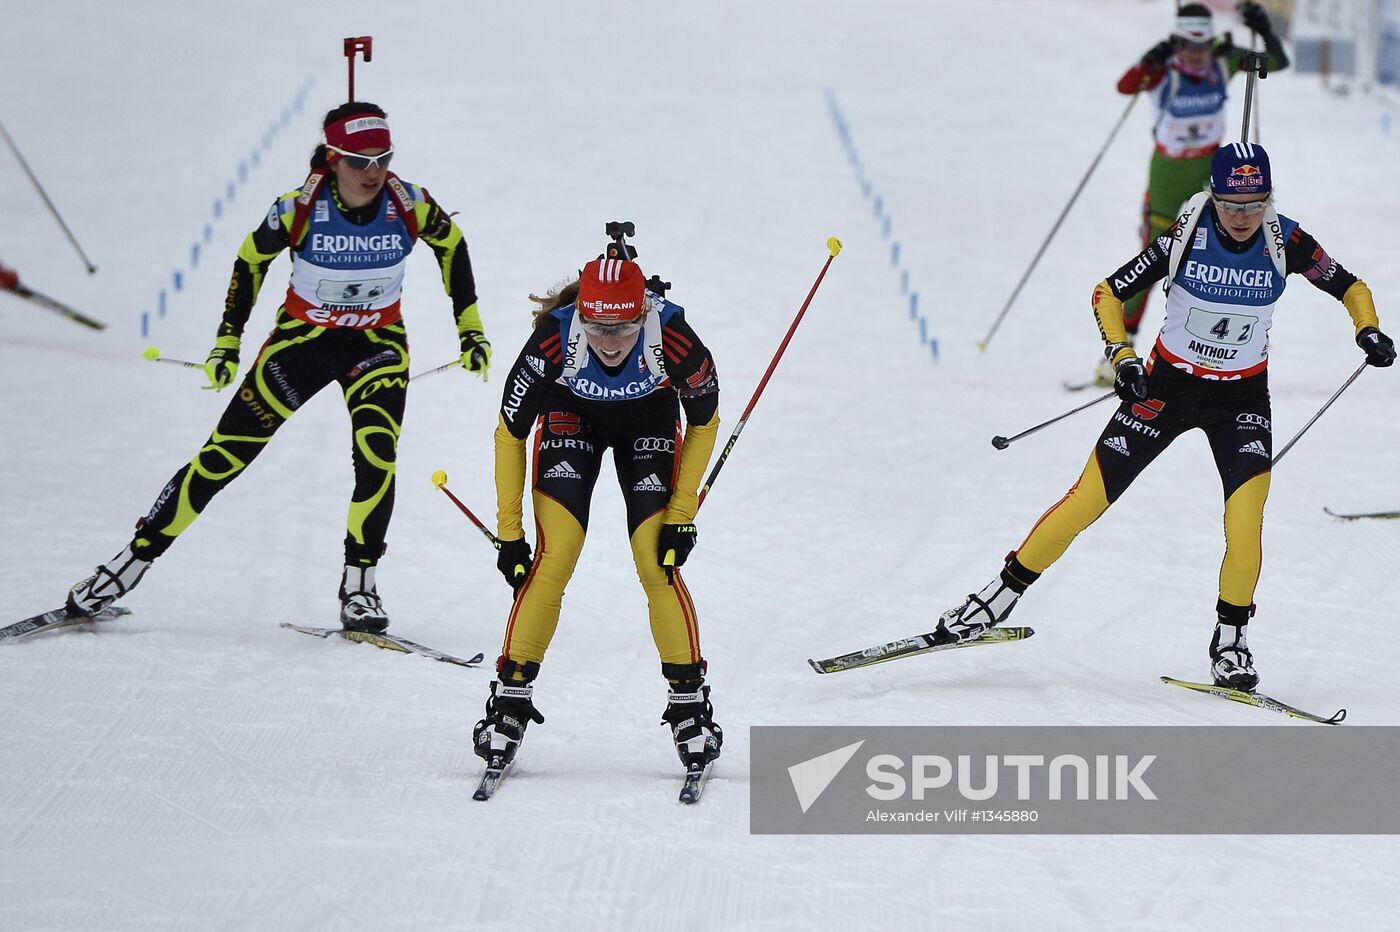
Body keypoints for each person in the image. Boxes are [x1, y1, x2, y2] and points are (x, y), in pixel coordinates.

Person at [937, 143, 1394, 690]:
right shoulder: (1186, 235)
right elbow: (1107, 293)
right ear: (1213, 196)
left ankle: (1231, 642)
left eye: (1253, 205)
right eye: (1230, 205)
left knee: (1246, 524)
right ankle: (995, 599)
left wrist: (1366, 328)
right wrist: (1122, 356)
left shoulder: (1286, 239)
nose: (1242, 218)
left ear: (1268, 199)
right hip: (1167, 388)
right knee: (1087, 499)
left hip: (1240, 401)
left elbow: (1350, 286)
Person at [63, 101, 491, 633]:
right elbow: (250, 258)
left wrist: (470, 329)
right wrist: (227, 341)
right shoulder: (299, 208)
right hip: (302, 345)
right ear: (333, 158)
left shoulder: (411, 204)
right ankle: (125, 568)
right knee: (223, 459)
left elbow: (452, 246)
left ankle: (360, 586)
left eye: (383, 157)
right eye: (359, 160)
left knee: (377, 456)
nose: (373, 172)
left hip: (377, 346)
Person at [472, 228, 723, 775]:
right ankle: (510, 699)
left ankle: (689, 707)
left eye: (625, 326)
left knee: (657, 562)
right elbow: (509, 434)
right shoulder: (553, 341)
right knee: (553, 557)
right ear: (580, 314)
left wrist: (680, 517)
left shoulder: (674, 337)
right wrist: (510, 533)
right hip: (572, 418)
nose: (609, 341)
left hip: (648, 424)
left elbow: (705, 423)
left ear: (643, 314)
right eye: (597, 326)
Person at [1093, 1, 1289, 386]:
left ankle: (1220, 343)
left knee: (1217, 247)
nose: (1197, 56)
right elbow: (1125, 87)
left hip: (1209, 171)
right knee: (1154, 256)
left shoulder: (1224, 59)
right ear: (1176, 43)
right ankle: (1121, 349)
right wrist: (1151, 58)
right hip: (1168, 170)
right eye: (1187, 47)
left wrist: (1263, 28)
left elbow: (1275, 64)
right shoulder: (1163, 68)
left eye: (1202, 46)